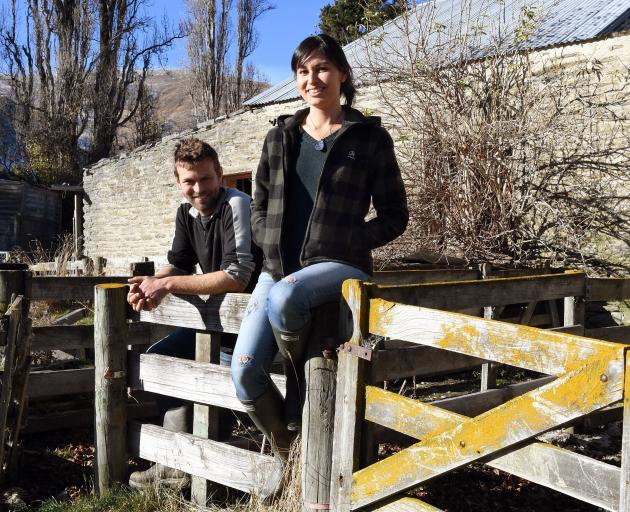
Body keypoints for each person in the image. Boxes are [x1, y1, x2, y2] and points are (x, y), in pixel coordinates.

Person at [230, 33, 408, 485]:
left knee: (289, 298)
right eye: (303, 71)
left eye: (322, 68)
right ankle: (291, 453)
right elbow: (261, 205)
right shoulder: (279, 137)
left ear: (342, 74)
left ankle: (299, 391)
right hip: (278, 270)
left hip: (340, 266)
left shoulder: (369, 139)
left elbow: (394, 216)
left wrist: (351, 239)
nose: (313, 79)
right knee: (245, 372)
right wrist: (265, 250)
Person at [127, 137, 259, 489]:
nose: (198, 188)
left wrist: (167, 287)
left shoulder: (237, 205)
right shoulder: (185, 214)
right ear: (178, 182)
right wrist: (150, 283)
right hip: (217, 324)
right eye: (189, 181)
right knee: (160, 359)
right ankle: (177, 463)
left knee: (213, 376)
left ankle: (199, 464)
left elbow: (237, 276)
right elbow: (180, 264)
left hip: (253, 325)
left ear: (220, 175)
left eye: (205, 178)